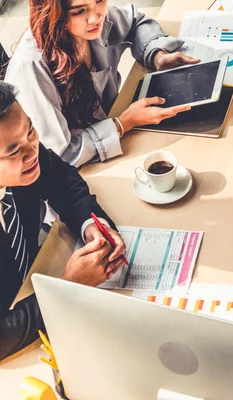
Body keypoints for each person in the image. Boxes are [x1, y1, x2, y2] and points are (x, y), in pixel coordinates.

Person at [0, 82, 126, 360]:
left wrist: (92, 224)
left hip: (36, 280)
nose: (32, 152)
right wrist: (68, 286)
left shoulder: (26, 152)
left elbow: (61, 179)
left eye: (30, 131)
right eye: (13, 152)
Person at [3, 0, 199, 168]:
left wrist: (156, 55)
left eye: (99, 0)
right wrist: (123, 123)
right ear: (53, 13)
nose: (95, 18)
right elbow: (59, 154)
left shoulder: (94, 18)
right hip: (79, 174)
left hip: (114, 134)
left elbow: (135, 22)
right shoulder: (30, 66)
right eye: (79, 11)